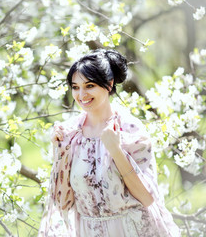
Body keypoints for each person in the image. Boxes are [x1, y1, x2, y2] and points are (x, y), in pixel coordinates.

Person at [38, 49, 180, 237]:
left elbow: (147, 198)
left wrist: (116, 150)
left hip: (131, 229)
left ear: (109, 84)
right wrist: (62, 153)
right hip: (88, 231)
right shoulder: (70, 133)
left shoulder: (130, 130)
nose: (81, 95)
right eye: (75, 87)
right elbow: (63, 203)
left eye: (89, 86)